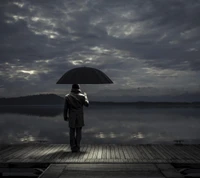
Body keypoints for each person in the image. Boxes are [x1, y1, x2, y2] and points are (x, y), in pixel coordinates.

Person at [63, 84, 89, 152]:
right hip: (80, 116)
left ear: (72, 88)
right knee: (78, 131)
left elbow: (65, 108)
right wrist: (86, 96)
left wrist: (65, 116)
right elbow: (87, 104)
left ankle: (73, 146)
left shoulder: (67, 96)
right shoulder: (82, 96)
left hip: (72, 116)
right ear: (78, 88)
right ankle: (78, 145)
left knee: (71, 131)